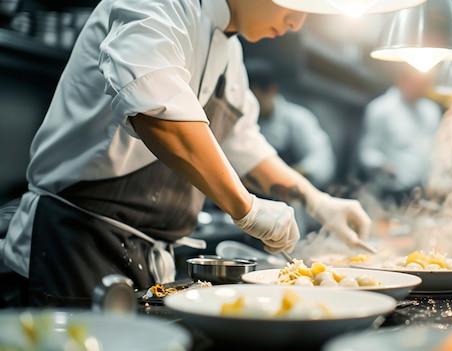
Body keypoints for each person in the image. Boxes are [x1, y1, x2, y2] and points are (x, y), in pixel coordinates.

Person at [1, 0, 371, 306]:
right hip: (74, 245)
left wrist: (316, 200)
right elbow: (153, 108)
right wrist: (247, 208)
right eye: (291, 3)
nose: (296, 21)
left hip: (147, 255)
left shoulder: (232, 53)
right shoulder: (163, 5)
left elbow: (245, 144)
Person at [357, 63, 443, 207]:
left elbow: (437, 149)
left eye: (425, 82)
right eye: (418, 82)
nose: (422, 87)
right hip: (391, 193)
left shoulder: (431, 111)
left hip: (424, 192)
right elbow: (367, 151)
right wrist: (382, 165)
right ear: (402, 79)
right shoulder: (380, 109)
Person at [247, 58, 336, 189]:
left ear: (271, 90)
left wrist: (283, 176)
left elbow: (322, 160)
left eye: (254, 97)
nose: (248, 104)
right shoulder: (243, 123)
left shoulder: (298, 119)